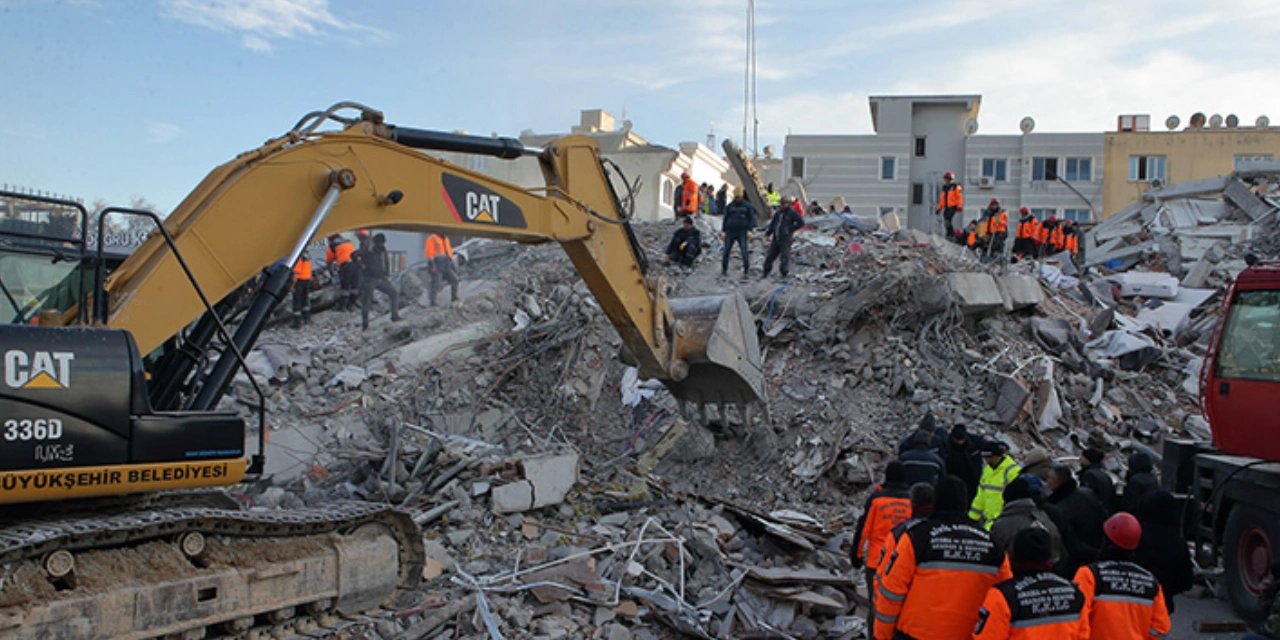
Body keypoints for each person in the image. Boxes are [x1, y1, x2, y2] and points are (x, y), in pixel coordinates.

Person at [874, 476, 1011, 640]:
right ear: (965, 503)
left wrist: (882, 635)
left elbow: (892, 591)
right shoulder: (993, 544)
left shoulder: (917, 537)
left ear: (936, 502)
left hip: (917, 634)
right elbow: (1007, 598)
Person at [974, 527, 1089, 639]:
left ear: (1015, 555)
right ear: (1049, 558)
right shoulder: (1075, 594)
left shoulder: (1003, 596)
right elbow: (1083, 635)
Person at [1074, 513, 1172, 639]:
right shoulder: (1151, 583)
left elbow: (1078, 621)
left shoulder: (1089, 575)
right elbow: (1161, 629)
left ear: (1105, 540)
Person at [852, 462, 912, 633]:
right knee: (900, 607)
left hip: (876, 561)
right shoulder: (911, 501)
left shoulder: (877, 499)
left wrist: (856, 555)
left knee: (876, 606)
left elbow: (864, 529)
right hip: (902, 563)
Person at [1134, 490, 1194, 614]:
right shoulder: (1177, 543)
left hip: (1132, 605)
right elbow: (1186, 581)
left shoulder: (1134, 536)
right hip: (1161, 606)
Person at [990, 475, 1067, 569]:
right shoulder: (1044, 517)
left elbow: (994, 557)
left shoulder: (1002, 524)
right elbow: (1059, 552)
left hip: (1013, 573)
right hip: (1048, 572)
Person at [1046, 465, 1108, 563]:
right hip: (1096, 546)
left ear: (1057, 481)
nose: (1047, 481)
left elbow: (1069, 541)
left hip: (1078, 556)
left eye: (1049, 478)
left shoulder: (1060, 509)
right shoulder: (1087, 493)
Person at [970, 440, 1021, 529]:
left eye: (989, 457)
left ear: (998, 456)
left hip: (1004, 524)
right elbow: (980, 496)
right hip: (990, 522)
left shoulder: (1012, 471)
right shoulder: (988, 470)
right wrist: (972, 518)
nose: (987, 461)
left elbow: (1017, 500)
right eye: (985, 458)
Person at [355, 233, 401, 330]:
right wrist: (361, 266)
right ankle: (365, 325)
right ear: (376, 242)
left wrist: (386, 274)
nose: (383, 244)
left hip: (379, 279)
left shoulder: (382, 250)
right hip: (368, 280)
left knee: (394, 293)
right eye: (381, 242)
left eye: (383, 242)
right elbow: (353, 255)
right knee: (366, 302)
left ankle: (394, 316)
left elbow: (385, 262)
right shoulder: (368, 250)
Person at [762, 195, 804, 279]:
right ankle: (766, 272)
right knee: (770, 256)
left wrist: (789, 229)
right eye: (781, 203)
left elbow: (801, 223)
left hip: (785, 239)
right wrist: (768, 233)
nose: (782, 205)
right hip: (776, 238)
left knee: (784, 257)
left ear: (788, 204)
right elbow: (773, 224)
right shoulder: (778, 213)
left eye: (784, 204)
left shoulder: (792, 213)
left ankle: (784, 273)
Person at [942, 424, 982, 503]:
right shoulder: (945, 444)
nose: (959, 442)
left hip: (971, 479)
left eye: (961, 440)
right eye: (957, 440)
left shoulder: (975, 442)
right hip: (953, 479)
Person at [721, 188, 756, 276]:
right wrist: (723, 231)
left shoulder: (747, 206)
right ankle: (724, 269)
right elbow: (725, 218)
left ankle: (746, 270)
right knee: (726, 251)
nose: (737, 199)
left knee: (744, 251)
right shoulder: (730, 206)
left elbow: (752, 218)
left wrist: (750, 230)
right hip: (730, 231)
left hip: (742, 232)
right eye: (736, 197)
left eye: (739, 197)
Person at [424, 233, 459, 306]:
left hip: (446, 264)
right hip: (437, 263)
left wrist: (452, 262)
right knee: (435, 283)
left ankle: (454, 297)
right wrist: (432, 265)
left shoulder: (446, 238)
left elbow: (449, 251)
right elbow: (429, 253)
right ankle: (432, 301)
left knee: (454, 280)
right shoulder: (432, 238)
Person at [325, 234, 358, 310]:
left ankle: (342, 306)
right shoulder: (348, 242)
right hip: (355, 264)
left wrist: (328, 266)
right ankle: (351, 304)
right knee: (354, 286)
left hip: (346, 265)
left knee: (345, 287)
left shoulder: (333, 245)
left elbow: (329, 259)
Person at [935, 171, 964, 236]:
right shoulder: (944, 187)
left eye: (947, 178)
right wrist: (939, 208)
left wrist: (959, 206)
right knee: (946, 221)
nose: (946, 180)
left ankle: (951, 234)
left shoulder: (956, 186)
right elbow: (942, 199)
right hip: (946, 207)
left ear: (951, 179)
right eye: (945, 179)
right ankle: (949, 233)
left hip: (953, 206)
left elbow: (959, 197)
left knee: (948, 219)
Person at [291, 253, 313, 328]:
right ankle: (307, 319)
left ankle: (297, 323)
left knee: (297, 301)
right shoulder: (307, 257)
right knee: (305, 300)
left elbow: (296, 272)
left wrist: (292, 285)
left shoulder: (298, 258)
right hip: (307, 280)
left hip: (299, 282)